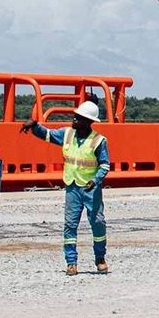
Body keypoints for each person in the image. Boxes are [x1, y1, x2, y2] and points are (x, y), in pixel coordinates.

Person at [22, 98, 111, 276]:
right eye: (75, 116)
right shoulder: (66, 134)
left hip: (91, 188)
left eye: (79, 117)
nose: (74, 119)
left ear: (88, 122)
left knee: (98, 223)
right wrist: (34, 125)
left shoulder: (99, 141)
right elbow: (47, 134)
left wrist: (96, 179)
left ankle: (100, 258)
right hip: (72, 187)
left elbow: (105, 165)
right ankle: (71, 262)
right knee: (70, 225)